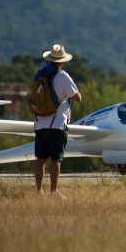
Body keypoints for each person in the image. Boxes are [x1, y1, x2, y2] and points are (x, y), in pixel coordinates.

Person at [33, 44, 82, 198]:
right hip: (57, 123)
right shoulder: (62, 76)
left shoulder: (39, 74)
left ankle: (39, 190)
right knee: (56, 159)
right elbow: (77, 98)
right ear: (62, 60)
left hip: (40, 122)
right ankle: (54, 191)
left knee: (40, 158)